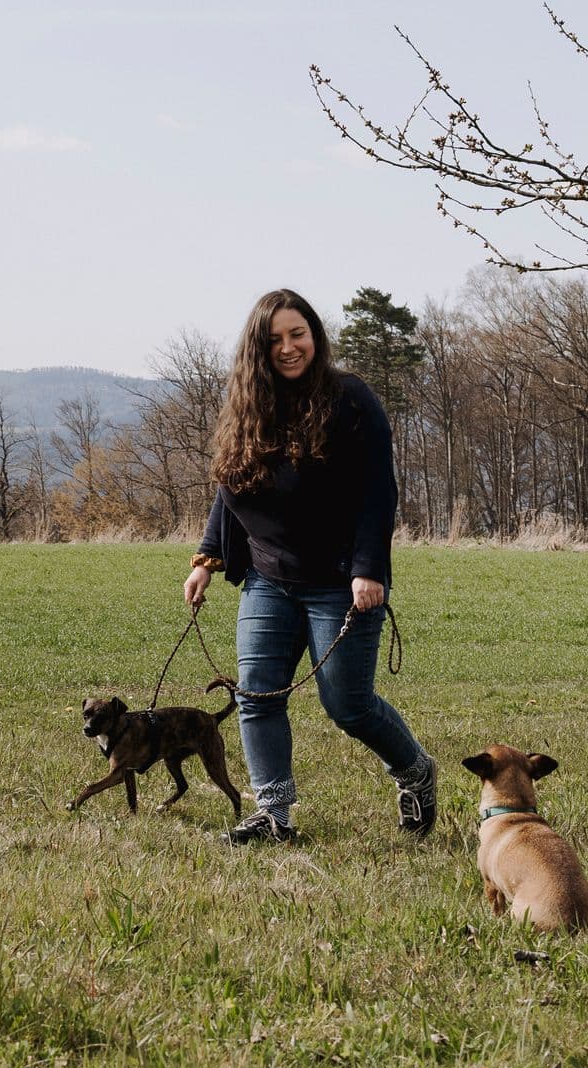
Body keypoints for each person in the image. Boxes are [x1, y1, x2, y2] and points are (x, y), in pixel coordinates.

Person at [183, 288, 436, 845]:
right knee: (257, 694)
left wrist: (369, 569)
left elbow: (378, 493)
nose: (289, 347)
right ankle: (274, 814)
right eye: (275, 339)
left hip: (341, 581)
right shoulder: (249, 405)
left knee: (347, 705)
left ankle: (416, 772)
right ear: (259, 349)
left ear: (315, 336)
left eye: (298, 334)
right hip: (268, 579)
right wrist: (207, 558)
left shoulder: (349, 399)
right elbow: (231, 486)